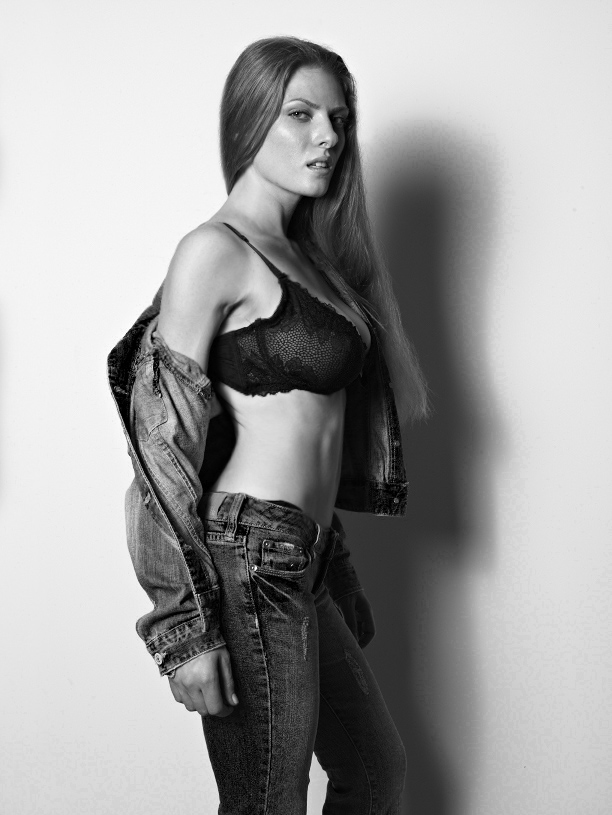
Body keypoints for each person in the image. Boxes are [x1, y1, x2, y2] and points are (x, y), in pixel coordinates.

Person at [107, 35, 428, 815]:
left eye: (338, 119)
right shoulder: (213, 252)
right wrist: (185, 632)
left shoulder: (314, 257)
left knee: (375, 774)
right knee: (266, 801)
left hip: (303, 556)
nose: (328, 136)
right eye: (302, 114)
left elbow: (321, 435)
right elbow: (162, 445)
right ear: (251, 119)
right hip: (248, 558)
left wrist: (336, 563)